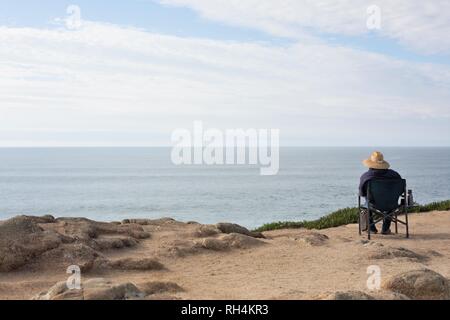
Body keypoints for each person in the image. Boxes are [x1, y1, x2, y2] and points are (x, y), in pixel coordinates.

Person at [359, 151, 402, 235]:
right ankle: (385, 229)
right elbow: (400, 191)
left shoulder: (366, 177)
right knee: (390, 202)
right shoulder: (395, 174)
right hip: (392, 203)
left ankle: (371, 229)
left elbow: (362, 193)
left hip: (374, 204)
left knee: (366, 205)